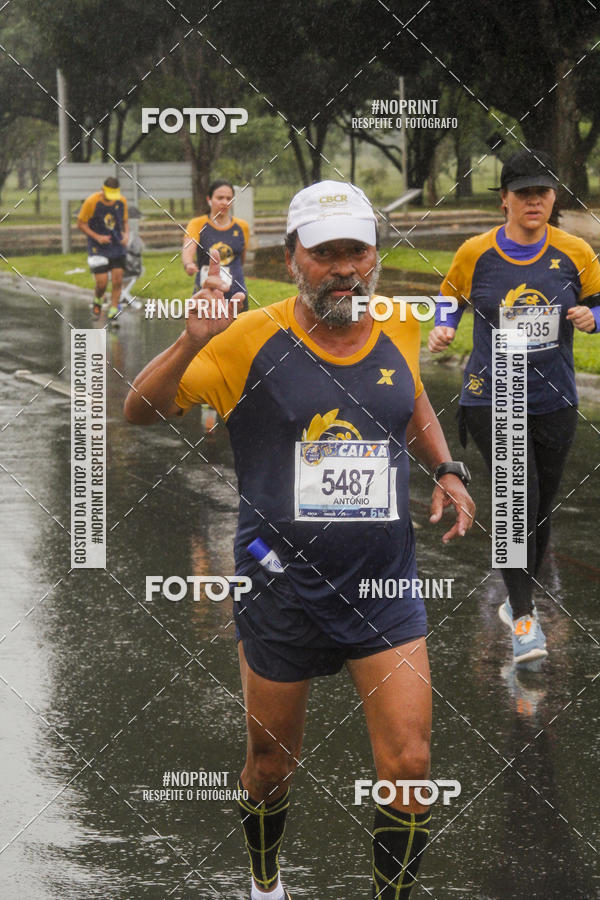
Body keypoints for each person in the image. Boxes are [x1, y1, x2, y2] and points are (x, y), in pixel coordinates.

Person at [125, 180, 475, 899]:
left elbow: (408, 396)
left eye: (357, 249)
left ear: (375, 255)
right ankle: (264, 878)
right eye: (326, 253)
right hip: (279, 583)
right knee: (270, 764)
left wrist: (445, 467)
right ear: (292, 259)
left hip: (384, 585)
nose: (345, 267)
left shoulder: (396, 326)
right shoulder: (246, 339)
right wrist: (190, 342)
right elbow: (138, 411)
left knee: (410, 765)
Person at [428, 149, 600, 664]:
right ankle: (524, 617)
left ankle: (517, 603)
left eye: (542, 191)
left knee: (538, 507)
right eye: (523, 192)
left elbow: (598, 301)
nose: (534, 200)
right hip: (490, 394)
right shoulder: (475, 253)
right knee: (516, 502)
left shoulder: (576, 251)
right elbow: (448, 297)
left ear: (553, 198)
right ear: (503, 199)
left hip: (554, 398)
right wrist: (444, 326)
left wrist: (594, 319)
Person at [182, 178, 250, 311]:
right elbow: (188, 249)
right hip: (206, 293)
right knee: (206, 331)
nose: (225, 202)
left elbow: (242, 258)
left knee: (239, 331)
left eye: (228, 198)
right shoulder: (197, 224)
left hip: (236, 293)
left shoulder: (242, 226)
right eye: (220, 198)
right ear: (209, 199)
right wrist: (188, 264)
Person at [77, 176, 129, 322]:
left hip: (117, 245)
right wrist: (97, 236)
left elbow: (125, 221)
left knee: (118, 280)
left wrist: (126, 235)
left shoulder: (122, 201)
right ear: (102, 190)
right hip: (97, 247)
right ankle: (98, 299)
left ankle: (113, 309)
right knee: (102, 283)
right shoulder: (91, 202)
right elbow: (81, 224)